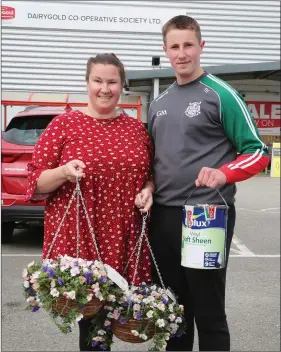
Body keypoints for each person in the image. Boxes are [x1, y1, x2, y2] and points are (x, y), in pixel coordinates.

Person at [147, 15, 270, 351]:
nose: (182, 53)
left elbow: (258, 151)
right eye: (175, 46)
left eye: (188, 44)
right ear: (165, 50)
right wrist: (148, 186)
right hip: (163, 217)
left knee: (208, 310)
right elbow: (155, 162)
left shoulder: (221, 95)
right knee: (172, 311)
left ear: (201, 47)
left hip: (206, 215)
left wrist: (224, 173)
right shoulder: (158, 104)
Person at [25, 53, 154, 351]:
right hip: (83, 234)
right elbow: (36, 183)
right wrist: (64, 171)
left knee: (117, 316)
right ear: (87, 83)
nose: (105, 89)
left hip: (123, 234)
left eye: (112, 81)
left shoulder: (136, 129)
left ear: (122, 85)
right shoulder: (64, 125)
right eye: (98, 81)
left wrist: (149, 190)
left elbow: (149, 174)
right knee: (91, 320)